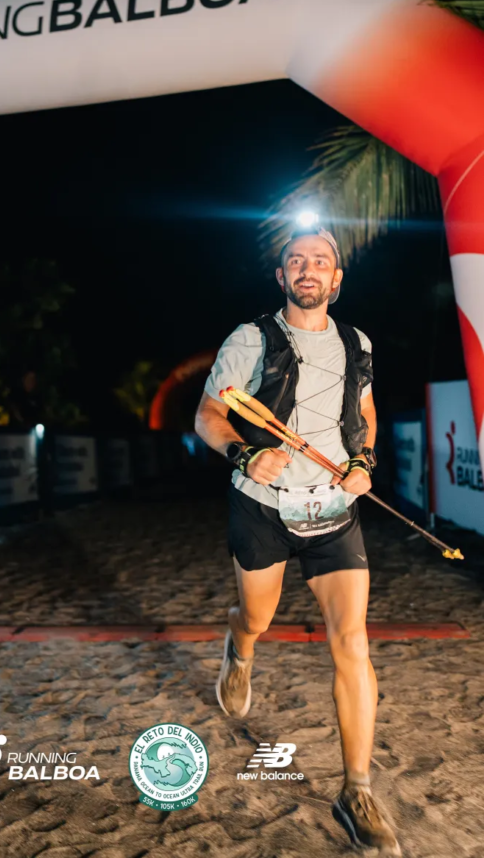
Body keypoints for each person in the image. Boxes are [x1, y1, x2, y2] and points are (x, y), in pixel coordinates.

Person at [194, 225, 400, 856]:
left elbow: (365, 413)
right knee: (257, 617)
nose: (309, 269)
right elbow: (208, 415)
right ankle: (240, 646)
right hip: (263, 508)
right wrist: (244, 454)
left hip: (334, 510)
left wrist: (363, 461)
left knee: (352, 641)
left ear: (337, 279)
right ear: (282, 276)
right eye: (296, 261)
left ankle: (356, 790)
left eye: (321, 261)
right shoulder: (251, 338)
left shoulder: (357, 343)